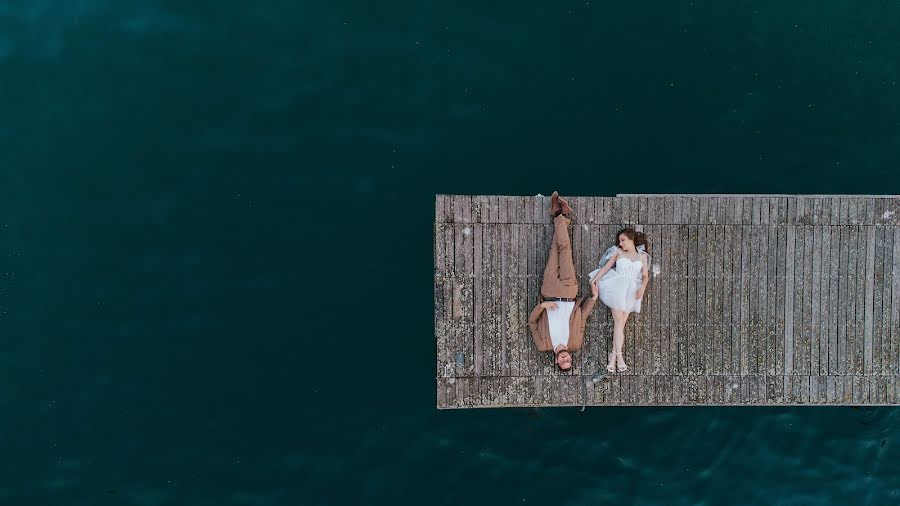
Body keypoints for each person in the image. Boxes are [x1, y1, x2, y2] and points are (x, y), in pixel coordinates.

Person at [528, 192, 598, 371]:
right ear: (571, 358)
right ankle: (560, 214)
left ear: (556, 361)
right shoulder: (575, 342)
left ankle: (560, 215)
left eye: (563, 362)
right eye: (569, 361)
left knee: (554, 251)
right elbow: (582, 319)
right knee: (565, 250)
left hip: (550, 291)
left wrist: (543, 307)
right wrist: (593, 298)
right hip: (568, 292)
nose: (565, 358)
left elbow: (532, 323)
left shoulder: (543, 345)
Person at [588, 229, 651, 373]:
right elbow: (605, 268)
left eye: (623, 240)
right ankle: (619, 356)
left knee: (621, 324)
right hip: (617, 287)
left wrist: (642, 288)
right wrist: (594, 280)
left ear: (631, 239)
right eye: (620, 241)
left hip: (632, 290)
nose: (620, 243)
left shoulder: (642, 256)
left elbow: (645, 276)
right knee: (618, 323)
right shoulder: (618, 252)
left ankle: (612, 356)